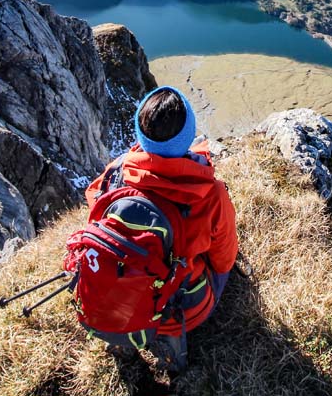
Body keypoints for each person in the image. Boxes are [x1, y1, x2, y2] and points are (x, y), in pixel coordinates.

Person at [84, 85, 238, 372]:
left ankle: (122, 336)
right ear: (189, 135)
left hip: (117, 295)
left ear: (142, 137)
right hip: (183, 307)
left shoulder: (116, 172)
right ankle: (170, 340)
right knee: (228, 267)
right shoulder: (210, 193)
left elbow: (94, 208)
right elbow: (224, 259)